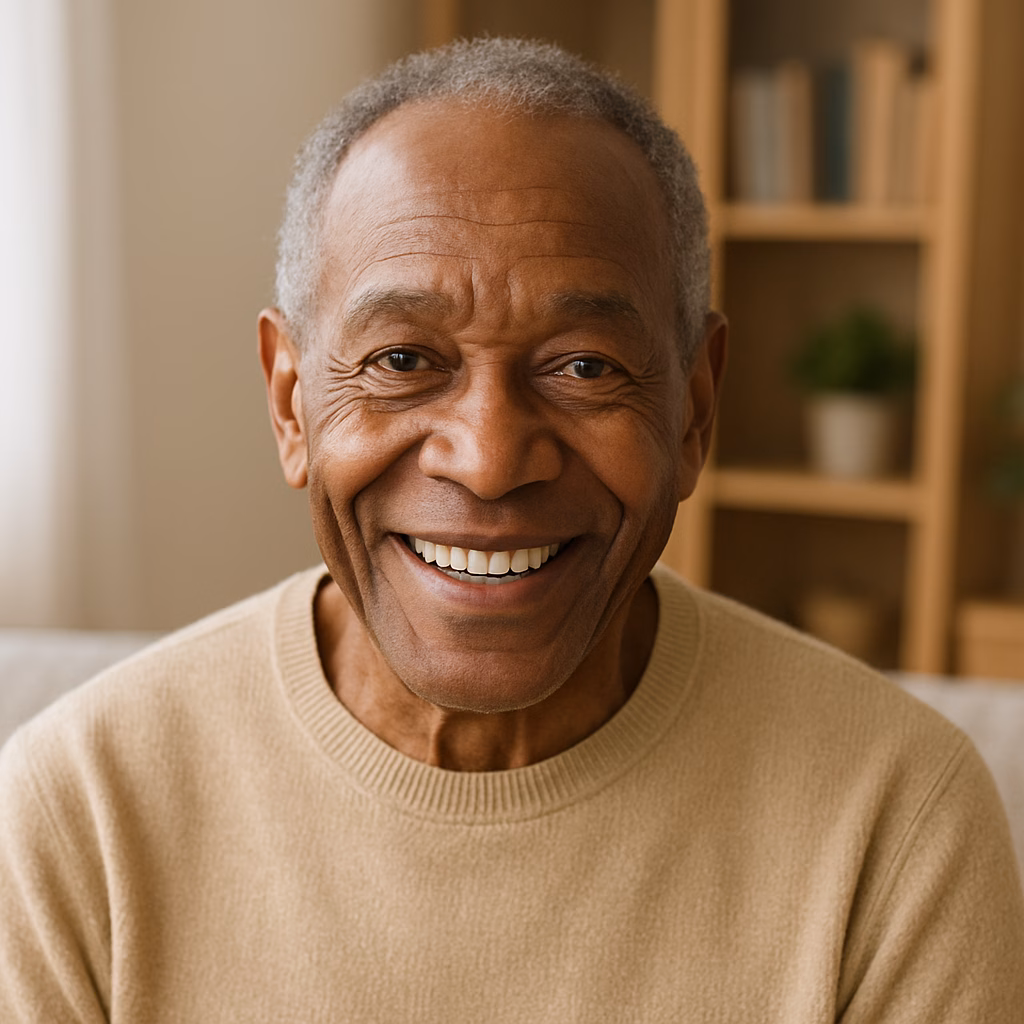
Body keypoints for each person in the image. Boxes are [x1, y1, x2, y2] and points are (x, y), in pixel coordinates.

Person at [1, 37, 1022, 1022]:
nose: (487, 461)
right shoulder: (80, 812)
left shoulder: (897, 818)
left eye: (582, 366)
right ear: (289, 404)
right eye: (403, 360)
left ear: (695, 411)